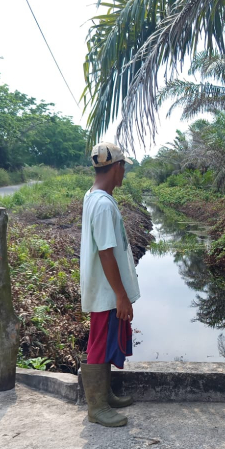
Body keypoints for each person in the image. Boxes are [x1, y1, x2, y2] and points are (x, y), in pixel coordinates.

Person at [79, 142, 140, 428]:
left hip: (105, 288)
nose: (123, 173)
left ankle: (104, 396)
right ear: (116, 167)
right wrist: (120, 295)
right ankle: (97, 407)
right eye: (123, 167)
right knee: (100, 344)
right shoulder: (102, 204)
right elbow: (106, 252)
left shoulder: (95, 196)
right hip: (106, 291)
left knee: (102, 341)